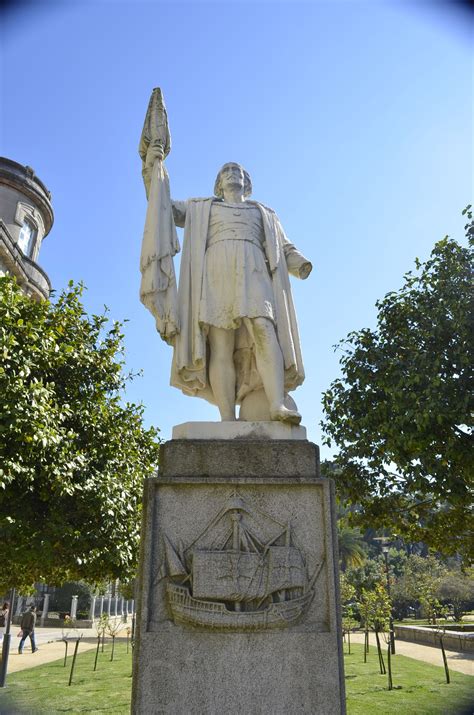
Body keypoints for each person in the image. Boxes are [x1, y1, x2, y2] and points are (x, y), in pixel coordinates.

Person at [141, 147, 312, 425]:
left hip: (254, 269)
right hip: (216, 271)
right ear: (219, 184)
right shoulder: (202, 208)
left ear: (247, 183)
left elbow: (283, 246)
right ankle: (227, 418)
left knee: (264, 329)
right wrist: (153, 170)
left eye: (238, 171)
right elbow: (163, 207)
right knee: (221, 344)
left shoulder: (264, 213)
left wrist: (300, 263)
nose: (232, 174)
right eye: (226, 171)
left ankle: (277, 402)